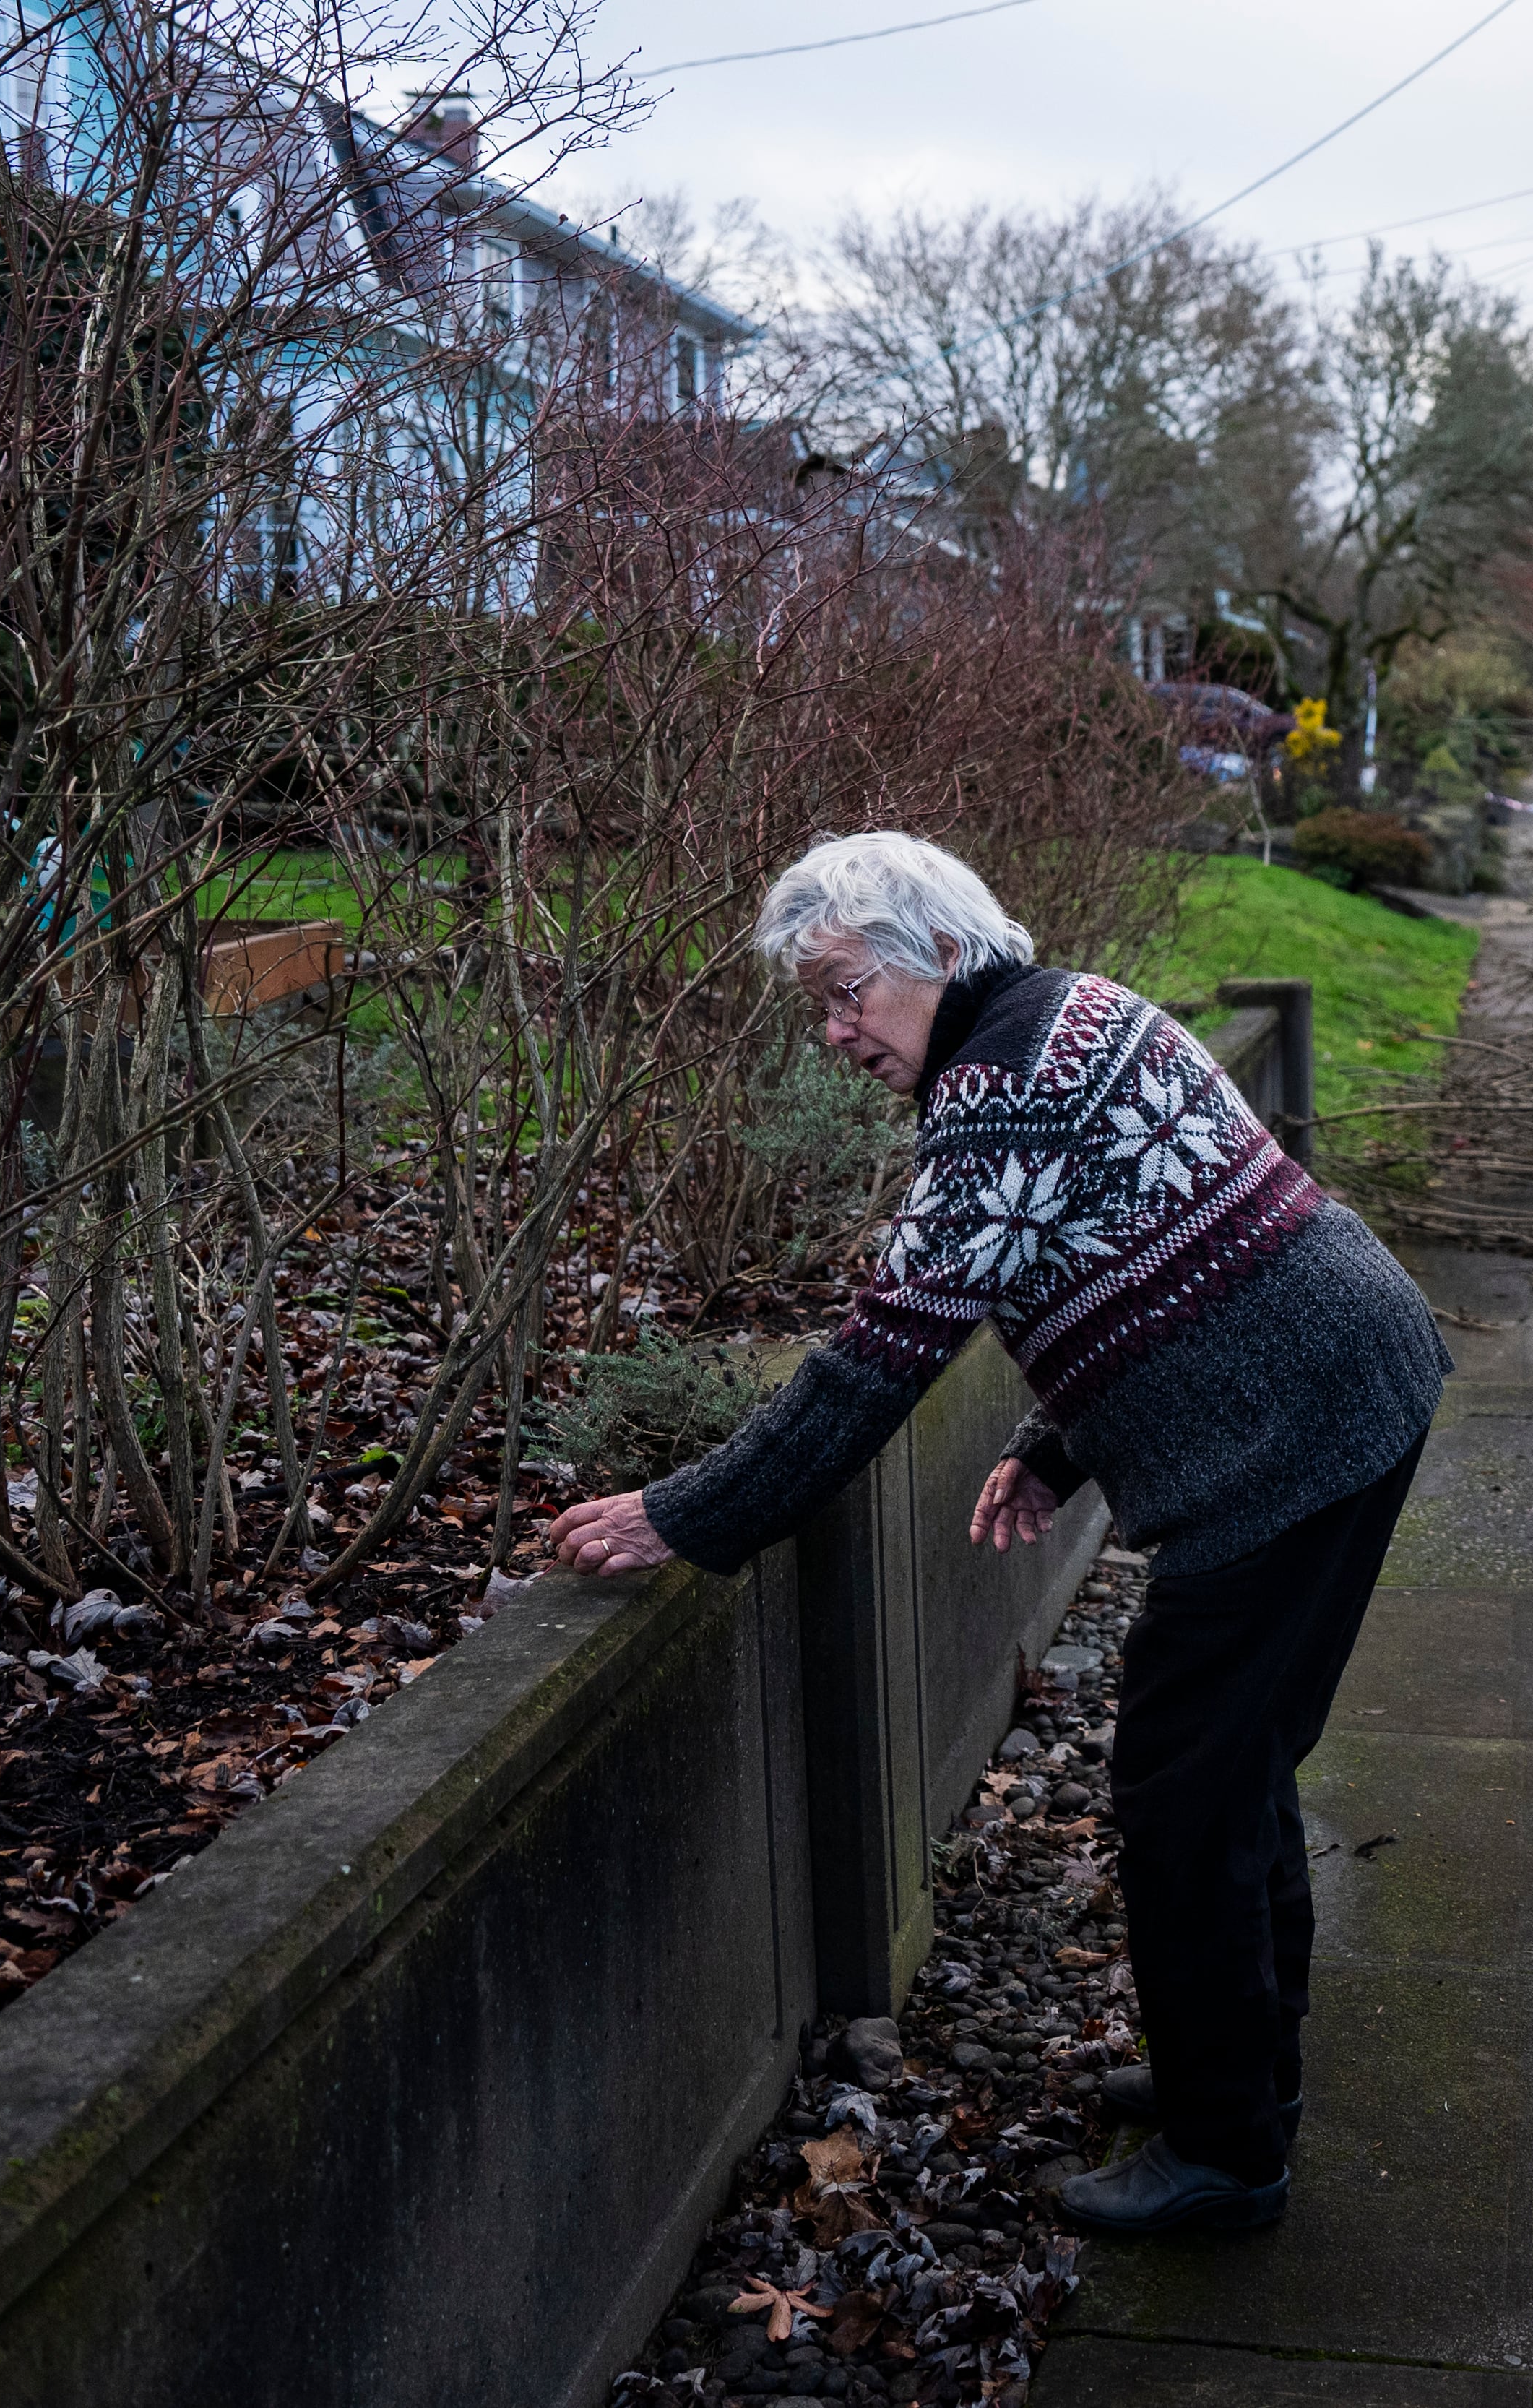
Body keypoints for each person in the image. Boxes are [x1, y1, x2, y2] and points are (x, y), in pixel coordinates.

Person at [544, 832, 1450, 2240]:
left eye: (849, 990)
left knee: (1183, 1793)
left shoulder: (998, 1089)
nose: (836, 1030)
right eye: (820, 1005)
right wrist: (1052, 1440)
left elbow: (870, 1364)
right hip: (1340, 1389)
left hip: (1300, 1433)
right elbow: (1146, 1242)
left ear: (944, 954)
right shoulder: (1069, 1010)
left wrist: (679, 1513)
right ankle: (1237, 2082)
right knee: (1230, 1769)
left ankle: (1228, 2156)